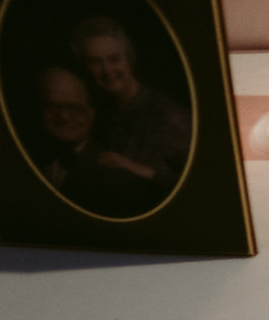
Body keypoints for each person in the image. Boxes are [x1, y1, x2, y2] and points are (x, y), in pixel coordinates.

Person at [70, 16, 191, 208]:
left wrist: (138, 170)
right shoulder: (100, 113)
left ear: (129, 58)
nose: (107, 70)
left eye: (114, 59)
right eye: (95, 62)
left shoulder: (166, 114)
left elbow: (201, 182)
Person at [31, 65, 153, 216]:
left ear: (91, 113)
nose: (64, 117)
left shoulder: (118, 180)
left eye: (74, 108)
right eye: (53, 107)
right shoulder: (26, 158)